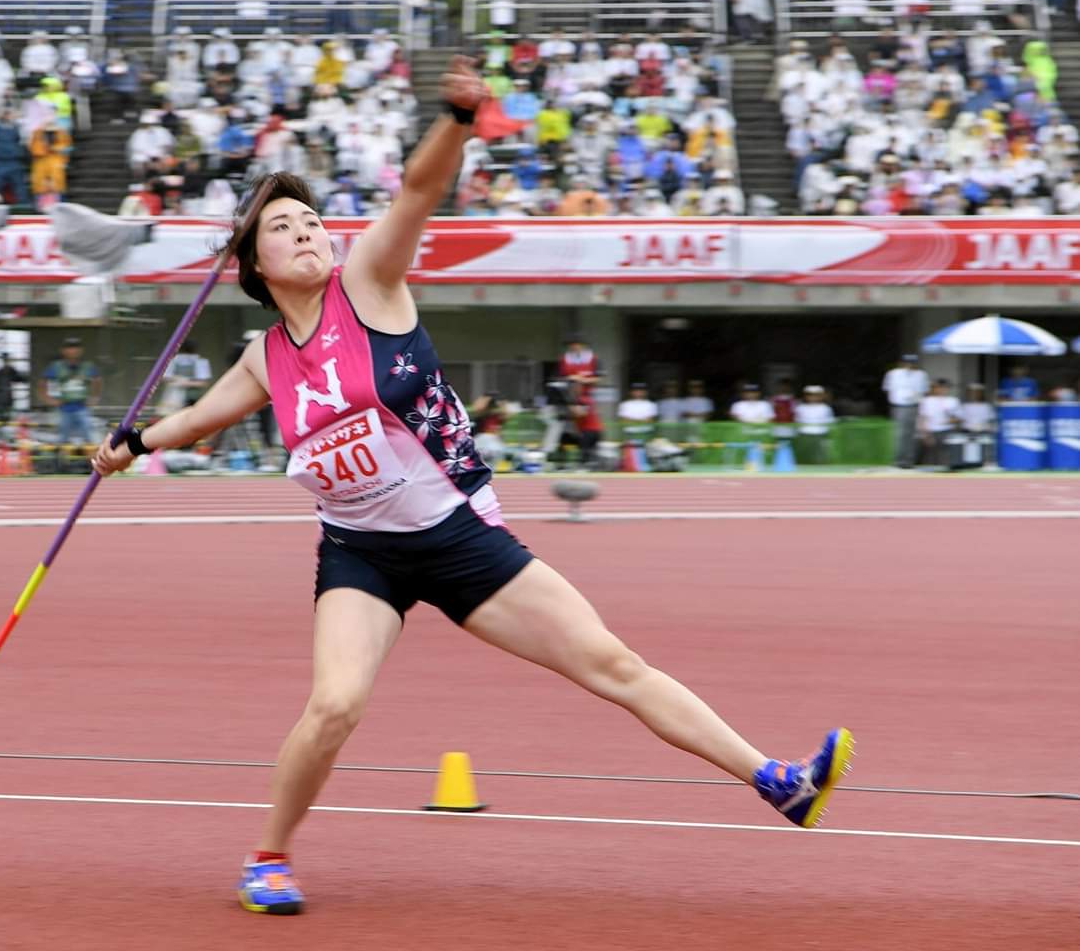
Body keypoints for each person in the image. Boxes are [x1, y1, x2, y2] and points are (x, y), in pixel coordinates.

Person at [92, 57, 853, 917]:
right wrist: (130, 443)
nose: (307, 233)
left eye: (312, 220)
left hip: (458, 539)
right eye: (283, 228)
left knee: (612, 663)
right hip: (362, 555)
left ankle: (775, 780)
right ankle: (268, 856)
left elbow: (417, 191)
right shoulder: (264, 358)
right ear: (255, 264)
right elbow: (196, 419)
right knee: (335, 703)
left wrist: (455, 118)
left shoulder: (371, 282)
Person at [556, 334, 605, 467]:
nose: (574, 347)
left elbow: (599, 378)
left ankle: (588, 457)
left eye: (577, 344)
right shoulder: (565, 360)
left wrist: (582, 380)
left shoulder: (593, 359)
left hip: (586, 397)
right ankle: (562, 460)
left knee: (590, 427)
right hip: (569, 398)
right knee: (565, 429)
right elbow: (561, 380)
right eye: (572, 344)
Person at [42, 336, 100, 446]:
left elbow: (97, 380)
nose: (73, 350)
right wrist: (48, 399)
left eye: (76, 347)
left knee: (89, 437)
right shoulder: (56, 367)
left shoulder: (87, 366)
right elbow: (42, 382)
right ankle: (59, 462)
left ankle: (92, 462)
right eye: (70, 347)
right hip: (64, 408)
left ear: (81, 350)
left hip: (82, 407)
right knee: (61, 440)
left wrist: (94, 397)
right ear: (64, 350)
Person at [882, 353, 930, 468]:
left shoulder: (921, 374)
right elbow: (887, 389)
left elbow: (924, 391)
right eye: (907, 362)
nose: (910, 365)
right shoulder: (893, 373)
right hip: (899, 405)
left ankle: (909, 460)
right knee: (901, 433)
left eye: (912, 363)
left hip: (914, 405)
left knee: (911, 434)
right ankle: (899, 460)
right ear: (902, 363)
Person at [793, 384, 835, 464]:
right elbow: (796, 421)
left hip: (820, 435)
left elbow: (830, 423)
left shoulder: (826, 408)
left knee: (819, 456)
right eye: (810, 395)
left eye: (816, 395)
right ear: (805, 396)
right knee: (803, 455)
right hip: (803, 434)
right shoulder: (800, 407)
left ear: (821, 396)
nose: (813, 397)